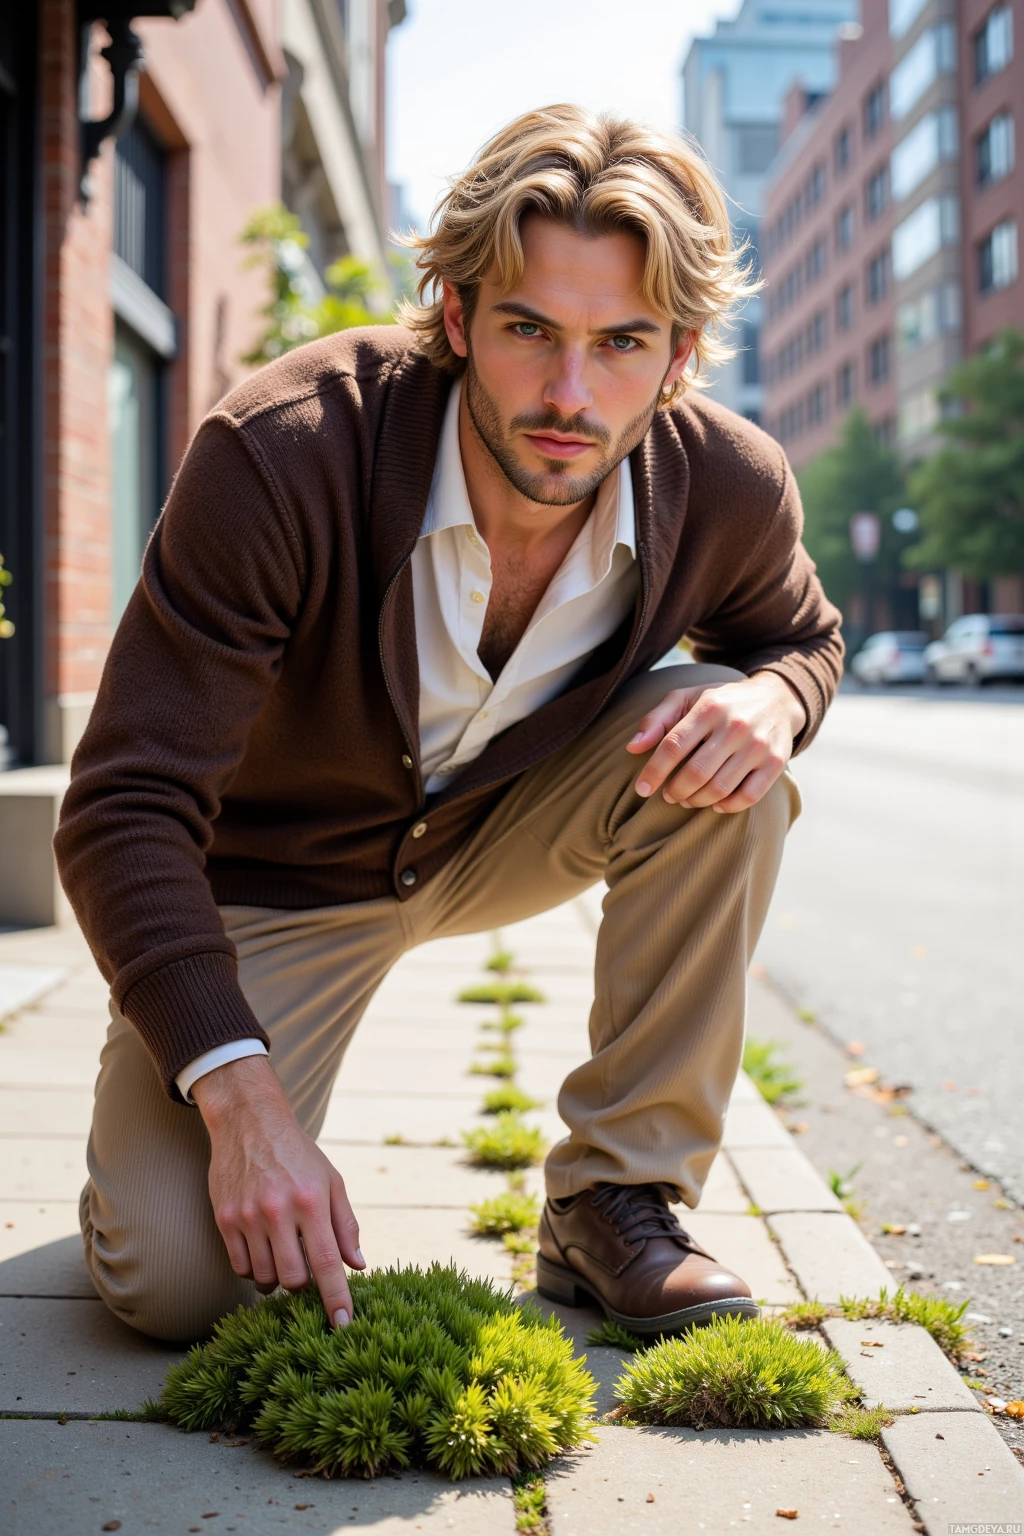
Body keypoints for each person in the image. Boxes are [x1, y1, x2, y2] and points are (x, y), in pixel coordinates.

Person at [55, 105, 842, 1345]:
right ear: (462, 316)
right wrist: (237, 1095)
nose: (569, 395)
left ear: (680, 355)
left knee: (719, 733)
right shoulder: (285, 453)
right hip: (275, 881)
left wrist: (772, 700)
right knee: (174, 1284)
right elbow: (121, 806)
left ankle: (617, 1197)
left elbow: (802, 638)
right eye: (530, 330)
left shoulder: (725, 482)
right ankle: (187, 1092)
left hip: (494, 837)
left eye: (621, 344)